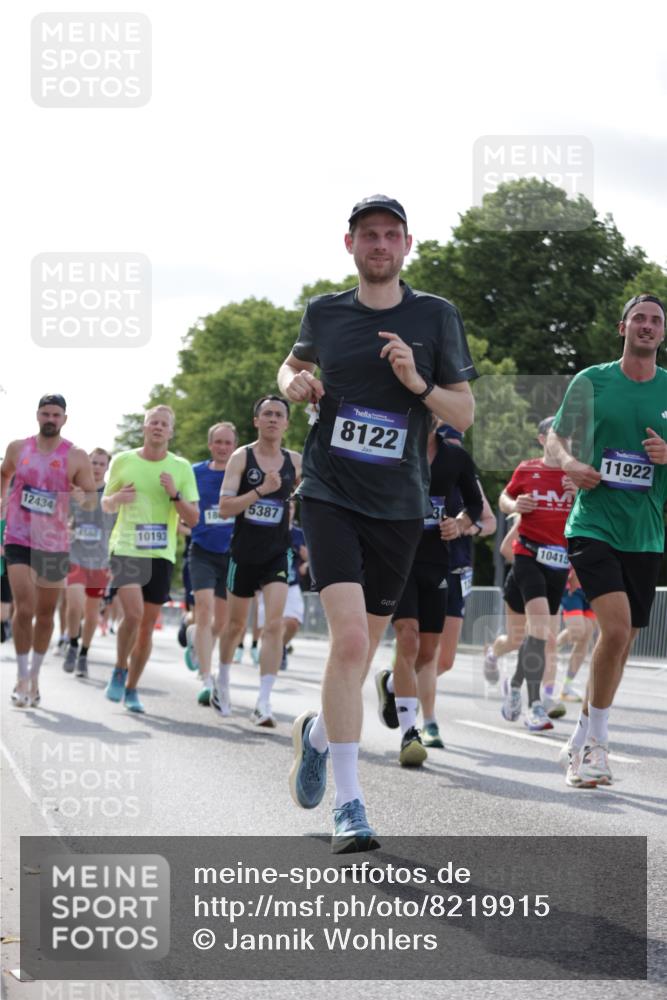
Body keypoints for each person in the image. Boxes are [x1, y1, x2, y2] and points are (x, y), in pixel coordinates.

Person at [278, 194, 476, 853]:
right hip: (330, 492)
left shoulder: (435, 316)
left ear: (406, 245)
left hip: (398, 508)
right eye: (368, 235)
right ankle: (350, 805)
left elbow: (463, 414)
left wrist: (417, 383)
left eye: (391, 235)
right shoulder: (326, 313)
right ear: (350, 245)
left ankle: (314, 735)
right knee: (354, 643)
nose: (380, 245)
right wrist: (292, 384)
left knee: (360, 653)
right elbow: (293, 364)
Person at [547, 293, 667, 787]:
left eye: (656, 321)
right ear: (623, 327)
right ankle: (596, 746)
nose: (647, 325)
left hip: (647, 532)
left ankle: (580, 737)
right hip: (592, 524)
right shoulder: (591, 381)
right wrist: (573, 465)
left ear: (662, 333)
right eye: (639, 318)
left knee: (623, 644)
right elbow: (555, 440)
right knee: (614, 631)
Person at [375, 418, 483, 763]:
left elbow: (476, 506)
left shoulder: (455, 458)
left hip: (437, 564)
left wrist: (461, 522)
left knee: (428, 653)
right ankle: (410, 732)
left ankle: (392, 685)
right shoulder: (392, 448)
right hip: (397, 561)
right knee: (408, 637)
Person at [101, 405, 199, 713]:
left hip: (161, 553)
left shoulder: (181, 467)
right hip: (127, 547)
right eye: (153, 422)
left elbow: (193, 518)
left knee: (146, 626)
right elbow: (105, 504)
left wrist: (174, 494)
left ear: (170, 431)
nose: (158, 427)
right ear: (145, 428)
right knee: (133, 615)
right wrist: (117, 498)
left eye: (164, 424)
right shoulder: (123, 461)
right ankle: (120, 666)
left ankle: (131, 688)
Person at [1, 394, 96, 706]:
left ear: (64, 419)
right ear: (37, 416)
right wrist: (2, 504)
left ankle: (35, 677)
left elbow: (90, 500)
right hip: (18, 537)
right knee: (24, 607)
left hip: (54, 544)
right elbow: (4, 475)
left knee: (44, 615)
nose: (50, 419)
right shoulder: (18, 448)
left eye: (56, 414)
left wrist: (81, 495)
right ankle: (21, 675)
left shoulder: (76, 456)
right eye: (45, 413)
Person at [213, 396, 301, 726]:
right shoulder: (242, 457)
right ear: (256, 421)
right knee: (235, 626)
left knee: (274, 625)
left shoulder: (295, 461)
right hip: (244, 554)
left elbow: (313, 491)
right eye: (267, 414)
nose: (273, 419)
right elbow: (225, 508)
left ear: (287, 423)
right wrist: (261, 490)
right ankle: (222, 680)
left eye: (279, 415)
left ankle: (264, 702)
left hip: (277, 553)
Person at [497, 417, 574, 731]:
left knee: (540, 634)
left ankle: (515, 684)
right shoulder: (527, 469)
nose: (565, 442)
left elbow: (593, 516)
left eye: (569, 436)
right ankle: (535, 707)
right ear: (543, 439)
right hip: (528, 554)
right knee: (541, 626)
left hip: (560, 563)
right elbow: (503, 500)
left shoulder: (576, 473)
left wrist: (580, 494)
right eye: (558, 435)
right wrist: (516, 504)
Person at [433, 424, 496, 680]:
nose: (454, 454)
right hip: (427, 565)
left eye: (458, 448)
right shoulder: (423, 471)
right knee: (421, 648)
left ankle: (399, 686)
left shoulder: (469, 480)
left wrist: (469, 528)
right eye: (449, 447)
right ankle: (413, 703)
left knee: (445, 661)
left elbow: (489, 522)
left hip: (458, 570)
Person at [185, 422, 238, 704]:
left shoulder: (241, 474)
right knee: (203, 612)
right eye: (218, 442)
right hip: (202, 550)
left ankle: (198, 641)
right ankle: (206, 678)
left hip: (231, 554)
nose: (222, 447)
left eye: (228, 443)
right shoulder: (195, 473)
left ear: (234, 446)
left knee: (223, 622)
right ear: (210, 445)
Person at [63, 448, 116, 677]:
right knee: (74, 604)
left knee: (92, 611)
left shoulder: (112, 495)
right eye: (92, 462)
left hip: (100, 561)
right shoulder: (75, 491)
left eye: (101, 464)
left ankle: (84, 653)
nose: (96, 467)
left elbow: (118, 529)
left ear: (107, 467)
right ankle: (72, 643)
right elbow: (63, 521)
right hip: (75, 557)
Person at [556, 567, 596, 702]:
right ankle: (549, 648)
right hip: (573, 585)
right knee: (578, 631)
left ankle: (566, 687)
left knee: (585, 636)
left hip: (594, 586)